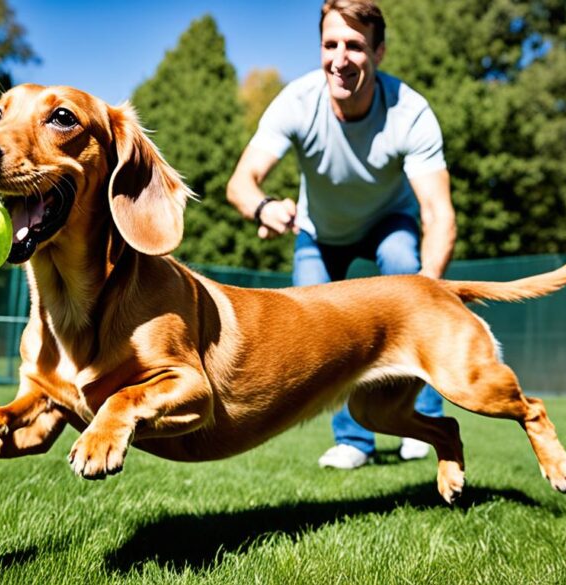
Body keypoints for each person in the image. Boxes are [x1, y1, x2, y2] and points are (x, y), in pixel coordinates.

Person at [226, 0, 457, 470]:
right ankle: (353, 439)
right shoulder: (297, 101)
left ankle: (423, 418)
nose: (340, 58)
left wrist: (427, 291)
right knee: (315, 323)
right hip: (320, 232)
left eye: (354, 46)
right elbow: (240, 184)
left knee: (405, 269)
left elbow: (437, 212)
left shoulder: (409, 111)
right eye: (330, 44)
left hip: (388, 221)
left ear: (379, 53)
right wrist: (265, 208)